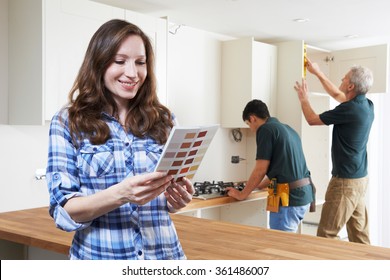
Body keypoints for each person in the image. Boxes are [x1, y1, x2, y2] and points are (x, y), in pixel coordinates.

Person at [46, 19, 194, 260]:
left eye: (140, 62)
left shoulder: (165, 119)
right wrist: (121, 194)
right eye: (120, 61)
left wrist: (177, 200)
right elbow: (64, 211)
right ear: (98, 63)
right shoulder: (68, 121)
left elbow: (165, 203)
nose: (133, 73)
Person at [294, 58, 374, 244]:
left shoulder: (350, 110)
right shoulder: (367, 105)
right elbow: (338, 95)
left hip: (345, 183)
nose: (341, 80)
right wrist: (318, 73)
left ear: (351, 86)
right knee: (359, 236)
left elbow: (312, 119)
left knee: (326, 236)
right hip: (359, 181)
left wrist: (304, 99)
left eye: (344, 79)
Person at [226, 99, 315, 232]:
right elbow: (282, 169)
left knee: (279, 247)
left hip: (289, 199)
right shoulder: (287, 129)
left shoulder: (265, 130)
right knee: (284, 245)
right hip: (304, 195)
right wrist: (259, 185)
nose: (251, 129)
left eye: (248, 124)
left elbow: (260, 169)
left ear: (252, 118)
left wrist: (242, 194)